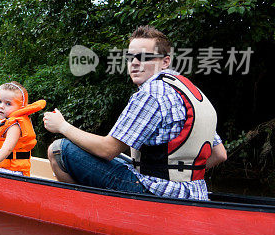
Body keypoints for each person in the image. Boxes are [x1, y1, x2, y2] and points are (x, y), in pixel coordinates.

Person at [43, 25, 227, 200]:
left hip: (158, 194)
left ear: (165, 62)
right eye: (131, 57)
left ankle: (86, 212)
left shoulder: (151, 94)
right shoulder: (190, 91)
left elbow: (107, 150)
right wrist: (180, 175)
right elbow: (219, 154)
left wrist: (62, 126)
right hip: (196, 193)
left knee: (59, 150)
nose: (135, 63)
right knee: (128, 161)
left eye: (145, 57)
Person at [0, 82, 46, 176]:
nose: (1, 106)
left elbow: (7, 149)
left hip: (14, 172)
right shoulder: (2, 122)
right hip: (3, 168)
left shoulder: (14, 126)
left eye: (8, 104)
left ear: (20, 107)